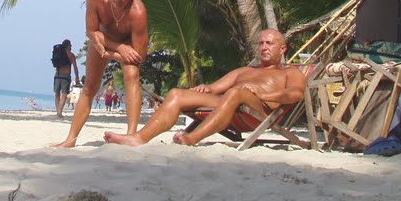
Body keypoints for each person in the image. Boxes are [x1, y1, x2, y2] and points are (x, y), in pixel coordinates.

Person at [104, 28, 304, 147]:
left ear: (282, 48)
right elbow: (214, 88)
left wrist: (265, 93)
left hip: (257, 112)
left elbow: (295, 93)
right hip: (232, 106)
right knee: (176, 94)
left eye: (269, 43)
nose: (264, 48)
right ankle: (139, 138)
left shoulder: (289, 72)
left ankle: (192, 138)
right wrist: (204, 88)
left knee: (235, 92)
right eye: (261, 44)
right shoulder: (245, 70)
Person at [53, 0, 148, 147]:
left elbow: (140, 55)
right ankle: (70, 139)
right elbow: (91, 31)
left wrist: (123, 49)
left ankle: (131, 135)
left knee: (132, 74)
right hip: (101, 39)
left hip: (128, 43)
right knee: (90, 86)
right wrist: (118, 49)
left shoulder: (138, 12)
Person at [53, 38, 80, 118]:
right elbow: (75, 67)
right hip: (65, 76)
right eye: (70, 45)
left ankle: (58, 110)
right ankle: (59, 111)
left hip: (57, 75)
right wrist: (77, 77)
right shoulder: (71, 55)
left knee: (57, 93)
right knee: (64, 94)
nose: (71, 46)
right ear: (67, 46)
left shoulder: (59, 53)